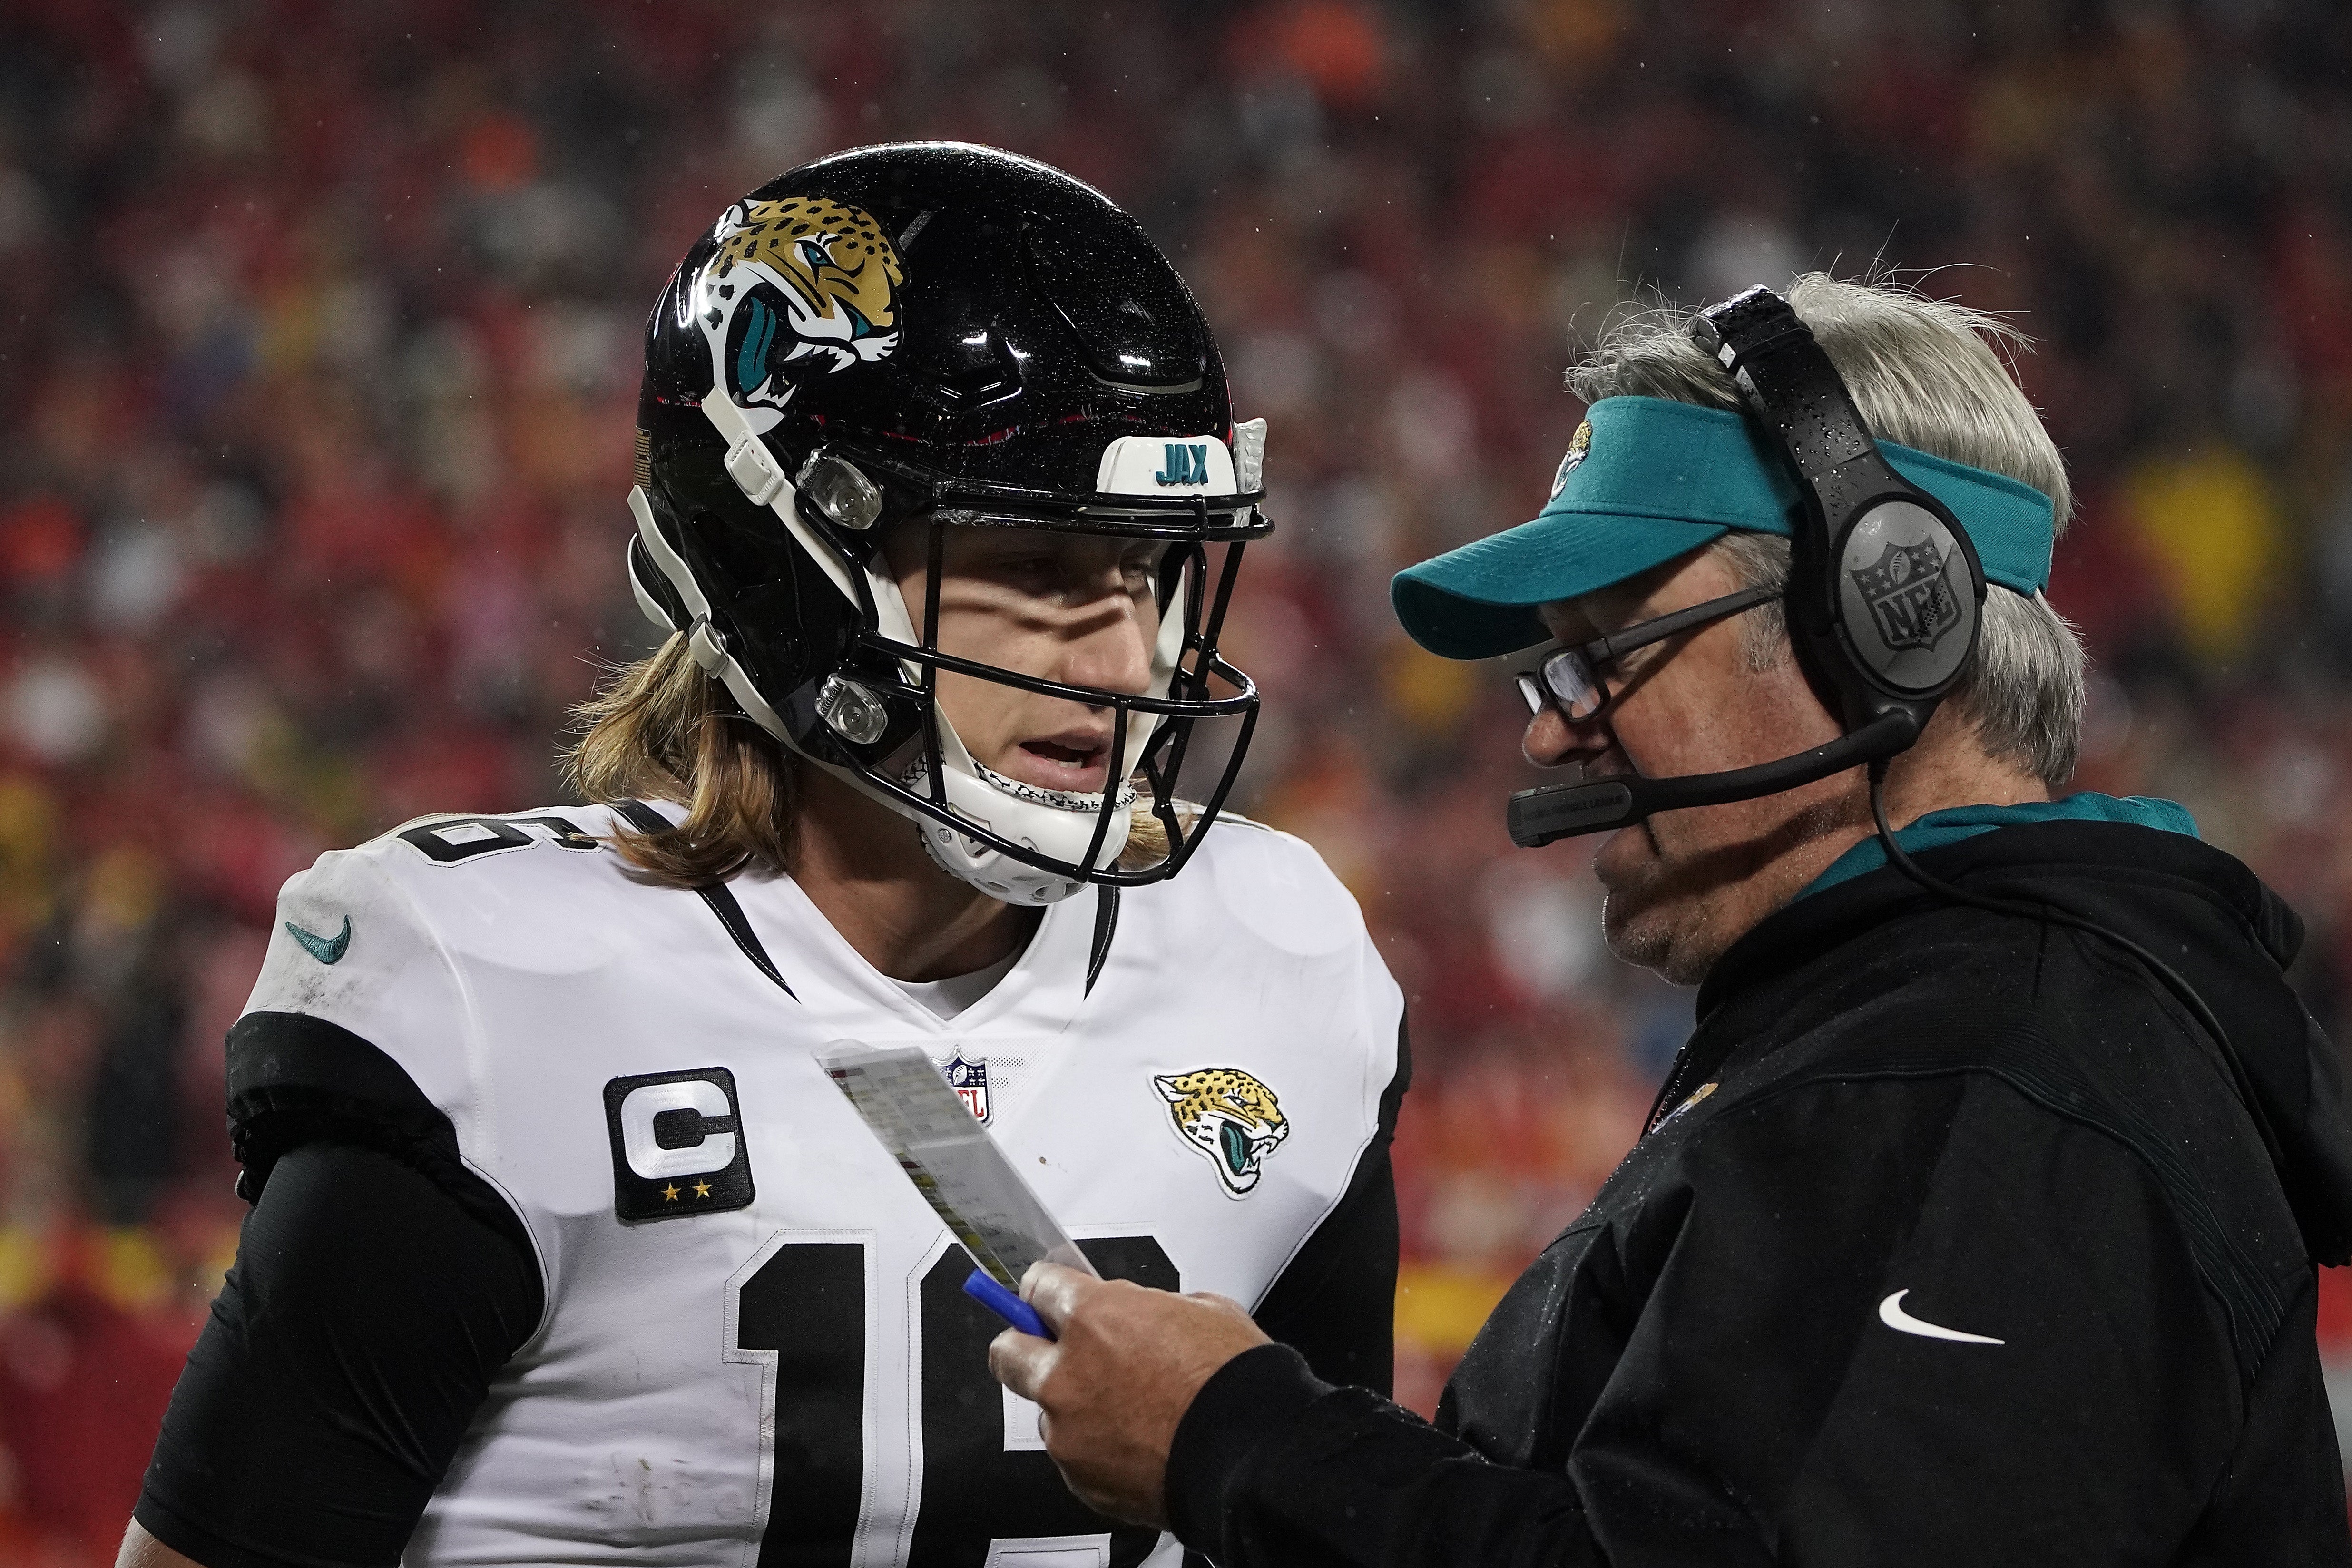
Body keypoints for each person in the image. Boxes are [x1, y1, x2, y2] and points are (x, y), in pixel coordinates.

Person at [120, 143, 1407, 1568]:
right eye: (1040, 574)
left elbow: (1322, 1529)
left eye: (1150, 574)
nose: (1126, 658)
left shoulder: (1279, 962)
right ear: (789, 562)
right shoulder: (499, 996)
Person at [992, 275, 2352, 1564]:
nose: (1552, 738)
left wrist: (1240, 1444)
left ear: (1887, 617)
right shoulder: (1919, 1035)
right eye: (1550, 677)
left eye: (1609, 655)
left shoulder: (1970, 1083)